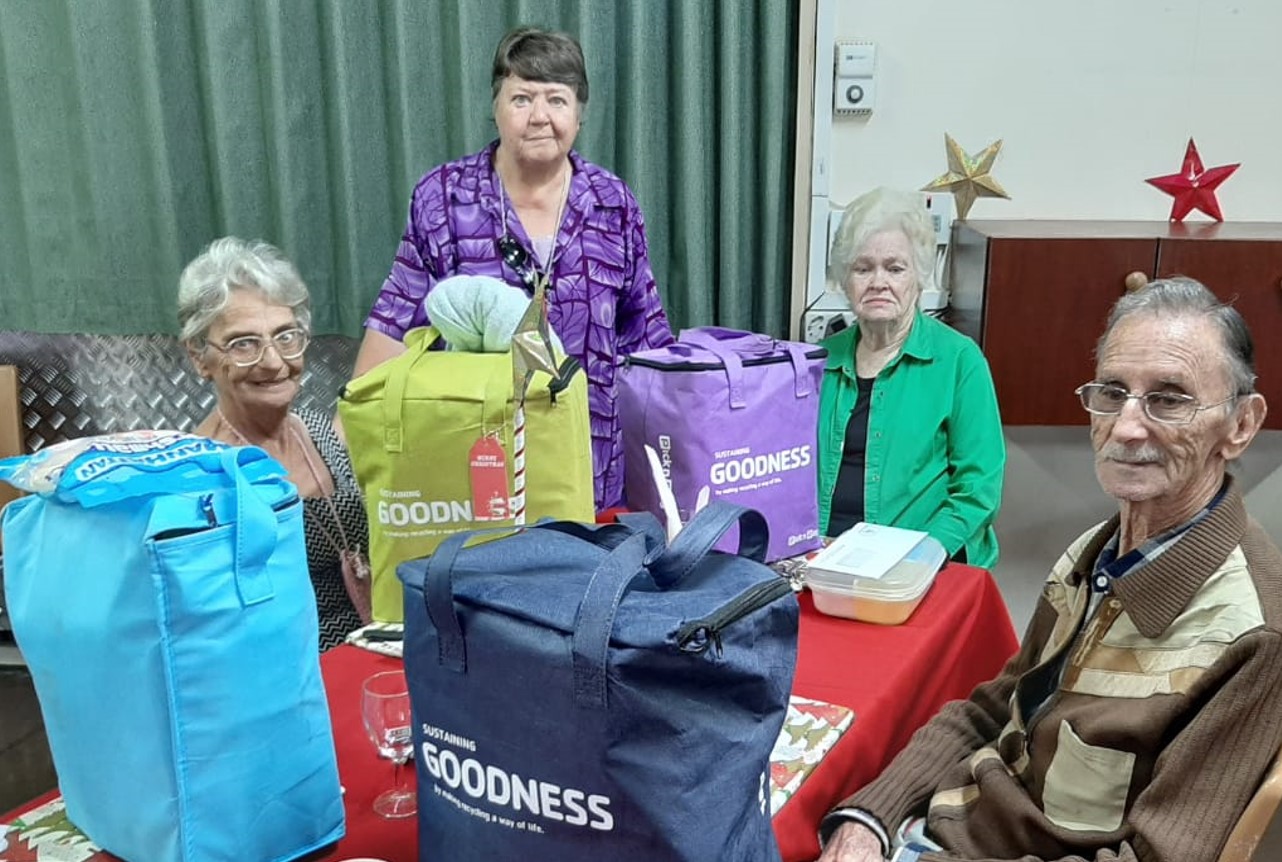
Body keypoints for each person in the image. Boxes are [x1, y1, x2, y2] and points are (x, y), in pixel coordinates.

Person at [816, 277, 1280, 862]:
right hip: (956, 819)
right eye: (1112, 392)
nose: (1127, 426)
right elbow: (994, 707)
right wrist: (871, 817)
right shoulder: (1096, 551)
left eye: (1169, 399)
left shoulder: (1253, 636)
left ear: (1240, 426)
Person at [353, 26, 673, 511]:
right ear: (496, 108)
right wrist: (348, 447)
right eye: (521, 98)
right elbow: (396, 324)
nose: (540, 116)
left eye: (557, 100)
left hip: (592, 473)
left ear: (579, 114)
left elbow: (645, 338)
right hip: (475, 470)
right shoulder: (444, 197)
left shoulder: (612, 203)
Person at [180, 237, 367, 651]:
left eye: (285, 336)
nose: (273, 361)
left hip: (368, 643)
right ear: (199, 357)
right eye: (243, 344)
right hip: (285, 664)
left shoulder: (318, 431)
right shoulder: (203, 472)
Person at [817, 188, 1004, 567]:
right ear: (844, 279)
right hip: (824, 555)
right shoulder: (819, 359)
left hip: (920, 557)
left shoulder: (959, 360)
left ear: (918, 276)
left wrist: (920, 558)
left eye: (895, 268)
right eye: (862, 268)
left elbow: (978, 488)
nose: (878, 282)